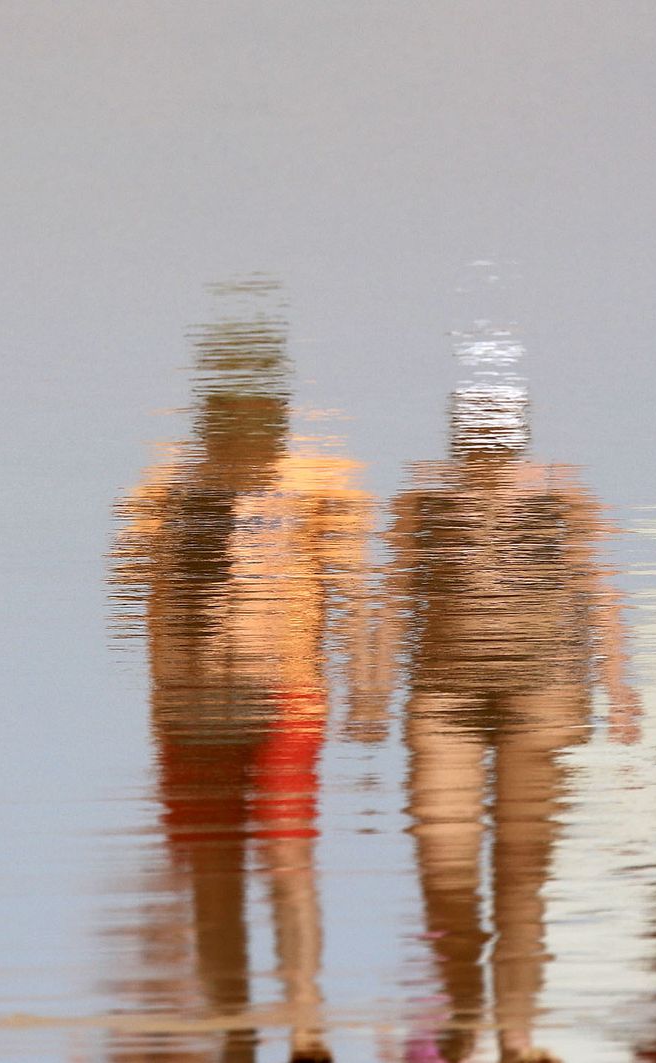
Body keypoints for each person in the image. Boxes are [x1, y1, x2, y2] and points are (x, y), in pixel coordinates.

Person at [109, 279, 374, 1063]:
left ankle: (305, 1024)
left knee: (286, 855)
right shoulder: (167, 478)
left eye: (255, 409)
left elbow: (358, 588)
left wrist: (365, 685)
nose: (241, 426)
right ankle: (237, 1035)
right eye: (227, 409)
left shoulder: (323, 477)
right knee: (217, 874)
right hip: (189, 699)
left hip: (282, 689)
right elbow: (129, 578)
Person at [363, 313, 638, 1063]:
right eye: (475, 416)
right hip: (443, 693)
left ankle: (516, 1037)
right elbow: (393, 593)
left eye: (497, 416)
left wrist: (620, 684)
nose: (485, 430)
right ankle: (465, 1016)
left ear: (517, 422)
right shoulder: (424, 493)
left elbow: (600, 584)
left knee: (521, 874)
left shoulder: (560, 486)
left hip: (541, 689)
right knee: (444, 867)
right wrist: (369, 685)